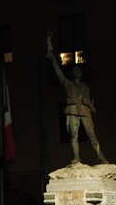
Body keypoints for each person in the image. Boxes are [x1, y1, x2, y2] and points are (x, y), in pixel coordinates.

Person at [46, 31, 109, 165]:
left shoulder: (85, 88)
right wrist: (48, 42)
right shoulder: (67, 83)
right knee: (73, 134)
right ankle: (76, 158)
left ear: (81, 73)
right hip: (73, 109)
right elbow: (56, 67)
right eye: (74, 70)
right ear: (72, 74)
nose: (77, 71)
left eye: (79, 70)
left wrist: (92, 108)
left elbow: (90, 104)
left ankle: (101, 157)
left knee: (92, 135)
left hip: (84, 111)